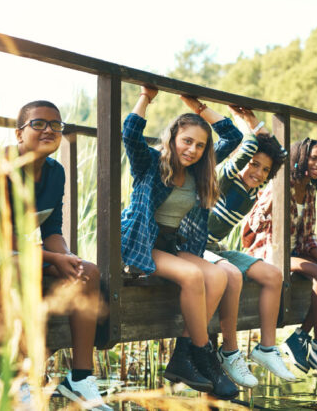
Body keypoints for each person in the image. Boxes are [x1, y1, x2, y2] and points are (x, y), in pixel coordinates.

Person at [0, 100, 112, 410]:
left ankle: (80, 378)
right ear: (19, 134)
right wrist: (51, 259)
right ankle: (22, 379)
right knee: (23, 267)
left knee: (88, 271)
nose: (49, 129)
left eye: (56, 124)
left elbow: (52, 228)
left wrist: (68, 258)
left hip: (14, 251)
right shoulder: (1, 165)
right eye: (39, 123)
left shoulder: (55, 172)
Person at [121, 86, 243, 400]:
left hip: (172, 247)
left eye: (200, 146)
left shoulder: (197, 173)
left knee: (216, 275)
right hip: (140, 243)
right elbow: (130, 132)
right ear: (173, 137)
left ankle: (183, 356)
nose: (192, 150)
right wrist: (146, 96)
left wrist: (199, 108)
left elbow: (232, 136)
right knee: (192, 276)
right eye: (187, 141)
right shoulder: (149, 162)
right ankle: (203, 356)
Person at [203, 106, 295, 387]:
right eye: (254, 164)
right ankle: (228, 351)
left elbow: (280, 155)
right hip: (192, 246)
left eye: (264, 169)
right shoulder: (225, 177)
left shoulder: (254, 189)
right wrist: (247, 123)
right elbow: (250, 149)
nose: (258, 172)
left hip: (214, 249)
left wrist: (254, 120)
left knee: (273, 275)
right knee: (230, 274)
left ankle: (266, 348)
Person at [243, 137, 317, 382]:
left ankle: (300, 336)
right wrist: (267, 204)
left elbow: (308, 236)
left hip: (293, 255)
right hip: (267, 252)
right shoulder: (281, 183)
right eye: (314, 158)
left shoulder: (309, 191)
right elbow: (254, 226)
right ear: (301, 157)